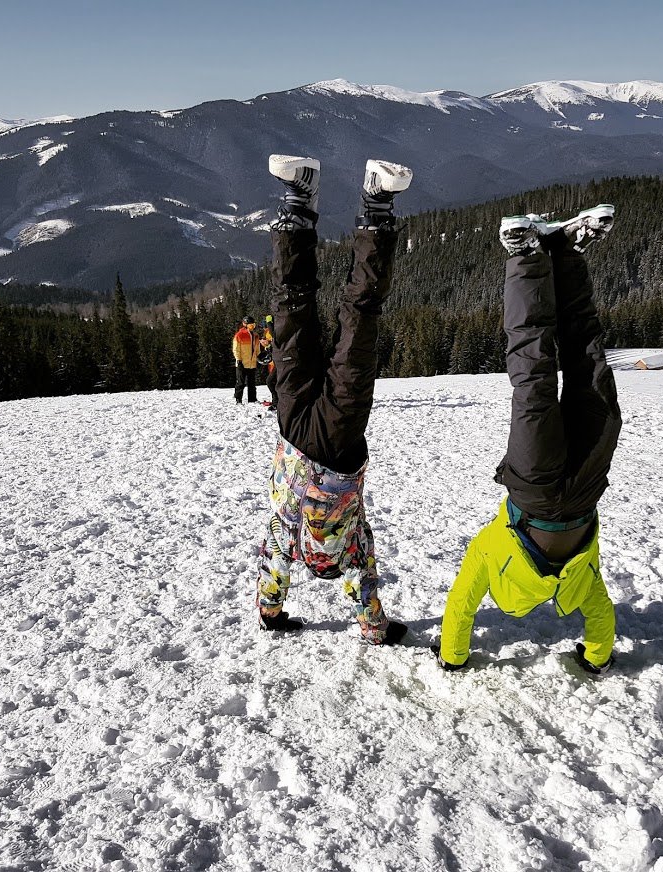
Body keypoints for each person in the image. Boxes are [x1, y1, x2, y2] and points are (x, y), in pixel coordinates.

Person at [432, 204, 622, 674]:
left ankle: (523, 256)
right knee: (590, 366)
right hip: (584, 493)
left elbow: (461, 605)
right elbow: (599, 617)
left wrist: (452, 657)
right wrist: (594, 658)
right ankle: (566, 253)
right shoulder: (580, 581)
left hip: (534, 492)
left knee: (535, 378)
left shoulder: (487, 557)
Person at [256, 153, 412, 645]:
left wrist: (272, 615)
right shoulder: (351, 550)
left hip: (304, 427)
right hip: (322, 436)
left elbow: (278, 570)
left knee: (309, 314)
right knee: (321, 315)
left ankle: (301, 198)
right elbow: (355, 589)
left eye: (317, 557)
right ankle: (375, 206)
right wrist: (271, 612)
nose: (321, 553)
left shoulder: (297, 541)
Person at [233, 315, 259, 404]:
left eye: (253, 325)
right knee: (241, 382)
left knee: (252, 383)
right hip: (242, 363)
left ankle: (252, 399)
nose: (252, 326)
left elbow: (257, 349)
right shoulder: (239, 335)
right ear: (245, 324)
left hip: (252, 363)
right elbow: (236, 349)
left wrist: (259, 357)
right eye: (250, 325)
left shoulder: (255, 335)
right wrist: (238, 360)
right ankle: (238, 399)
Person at [258, 314, 278, 410]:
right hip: (274, 362)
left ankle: (276, 402)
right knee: (274, 382)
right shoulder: (268, 333)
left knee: (270, 381)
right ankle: (277, 401)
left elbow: (277, 345)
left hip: (278, 362)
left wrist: (268, 345)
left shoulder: (271, 332)